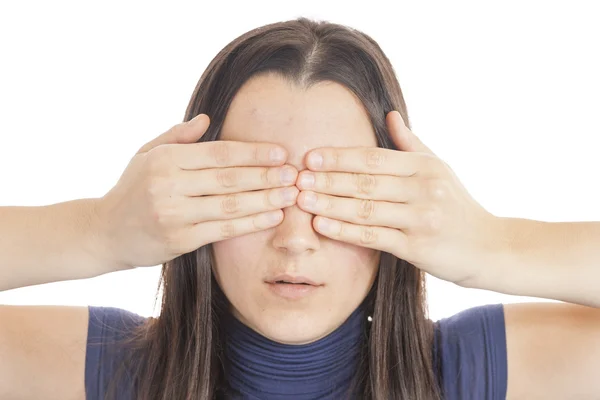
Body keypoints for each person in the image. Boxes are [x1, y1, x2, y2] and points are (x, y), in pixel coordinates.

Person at [1, 17, 600, 400]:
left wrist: (492, 246)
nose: (294, 238)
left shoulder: (468, 372)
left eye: (337, 192)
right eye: (252, 190)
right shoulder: (108, 368)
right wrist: (97, 230)